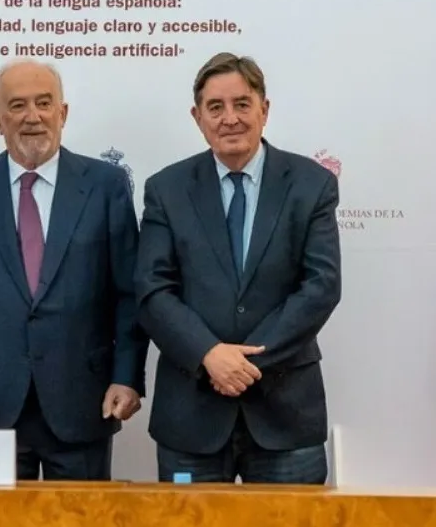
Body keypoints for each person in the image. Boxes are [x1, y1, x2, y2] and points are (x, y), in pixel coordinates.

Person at [0, 59, 148, 481]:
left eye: (44, 103)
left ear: (63, 113)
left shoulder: (106, 186)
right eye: (18, 105)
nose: (32, 117)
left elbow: (128, 296)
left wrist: (127, 377)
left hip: (83, 402)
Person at [134, 52, 341, 484]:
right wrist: (209, 354)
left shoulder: (311, 184)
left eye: (242, 104)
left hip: (286, 414)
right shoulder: (166, 189)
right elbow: (153, 290)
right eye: (216, 107)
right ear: (197, 117)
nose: (230, 118)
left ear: (264, 110)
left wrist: (245, 362)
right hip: (192, 415)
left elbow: (321, 286)